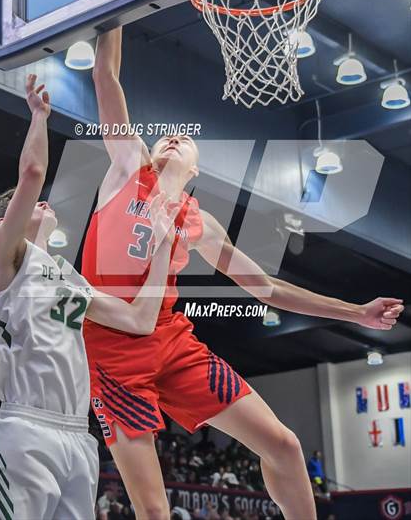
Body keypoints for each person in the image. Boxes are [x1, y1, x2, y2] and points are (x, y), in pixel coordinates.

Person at [83, 27, 404, 520]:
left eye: (185, 139)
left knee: (284, 445)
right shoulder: (128, 169)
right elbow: (106, 75)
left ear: (196, 168)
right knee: (153, 509)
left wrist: (356, 311)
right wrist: (117, 8)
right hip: (111, 349)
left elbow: (269, 289)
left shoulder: (200, 222)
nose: (173, 138)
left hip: (172, 342)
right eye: (166, 135)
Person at [0, 75, 177, 519]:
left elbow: (138, 320)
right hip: (25, 428)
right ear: (5, 221)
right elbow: (33, 173)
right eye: (29, 204)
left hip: (79, 435)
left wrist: (166, 244)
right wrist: (39, 117)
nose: (43, 203)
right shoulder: (2, 260)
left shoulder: (67, 276)